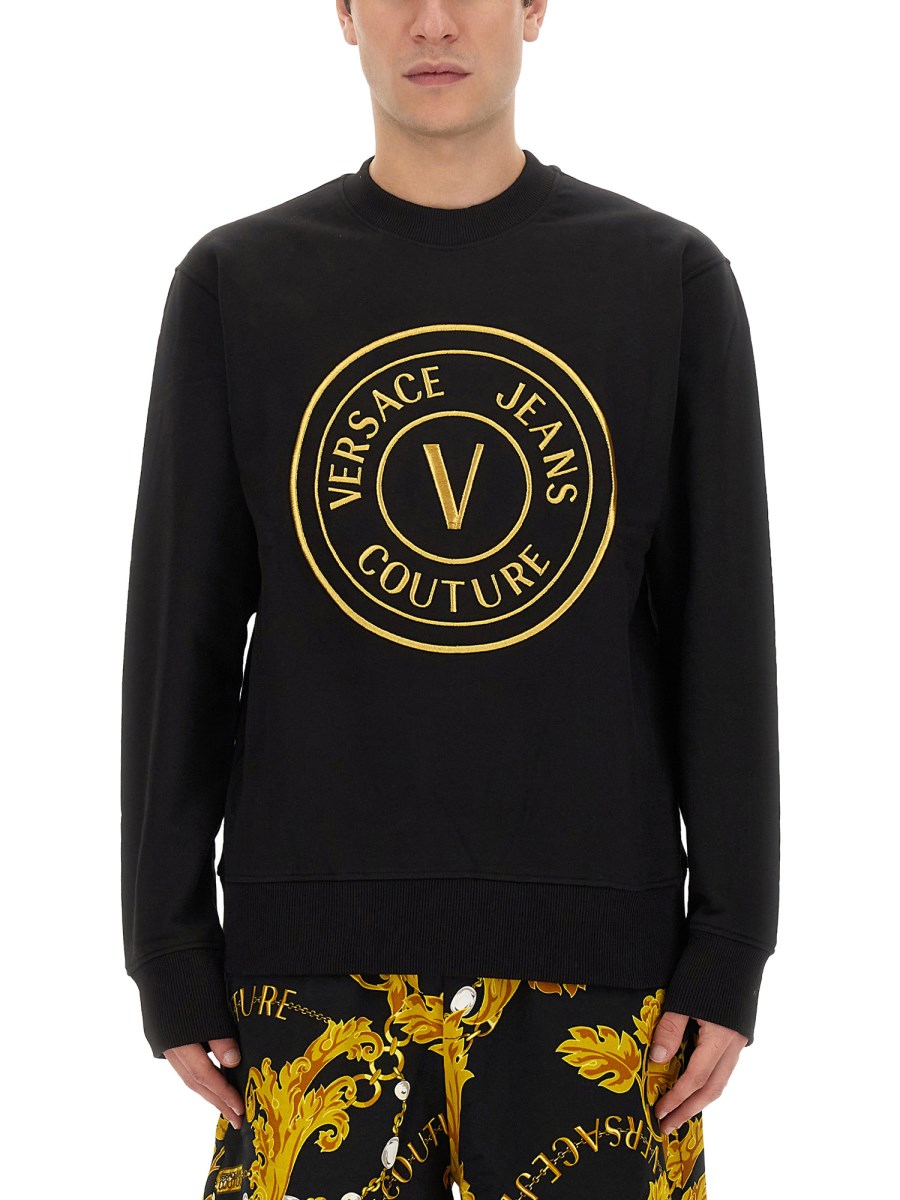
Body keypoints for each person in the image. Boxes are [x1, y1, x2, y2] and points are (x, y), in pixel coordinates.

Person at [120, 1, 780, 1195]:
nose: (433, 20)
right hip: (310, 967)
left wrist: (732, 941)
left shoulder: (665, 279)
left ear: (534, 8)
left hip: (605, 968)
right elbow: (184, 636)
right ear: (344, 13)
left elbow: (722, 638)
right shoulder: (237, 283)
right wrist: (166, 948)